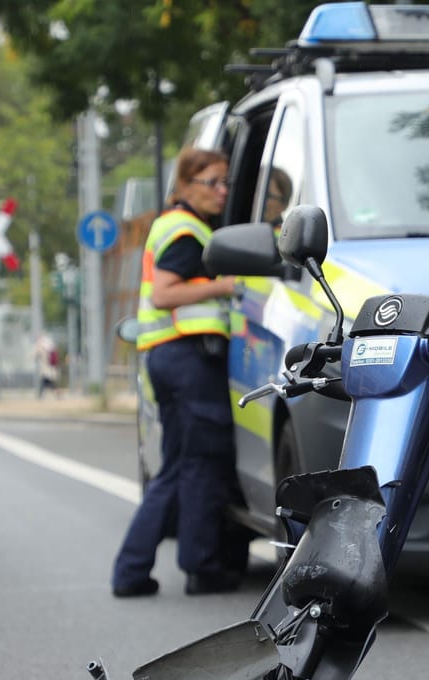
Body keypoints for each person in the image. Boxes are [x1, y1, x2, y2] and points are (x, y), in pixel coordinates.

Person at [111, 148, 250, 597]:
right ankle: (201, 567)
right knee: (202, 464)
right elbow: (165, 294)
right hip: (188, 359)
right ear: (185, 185)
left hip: (168, 358)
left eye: (225, 182)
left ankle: (131, 572)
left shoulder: (175, 225)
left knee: (176, 467)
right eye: (212, 182)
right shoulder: (187, 230)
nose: (222, 191)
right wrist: (228, 285)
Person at [33, 331, 60, 398]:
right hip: (51, 366)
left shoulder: (41, 344)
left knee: (46, 379)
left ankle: (41, 394)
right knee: (47, 380)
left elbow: (36, 353)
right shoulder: (48, 343)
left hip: (46, 365)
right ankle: (43, 393)